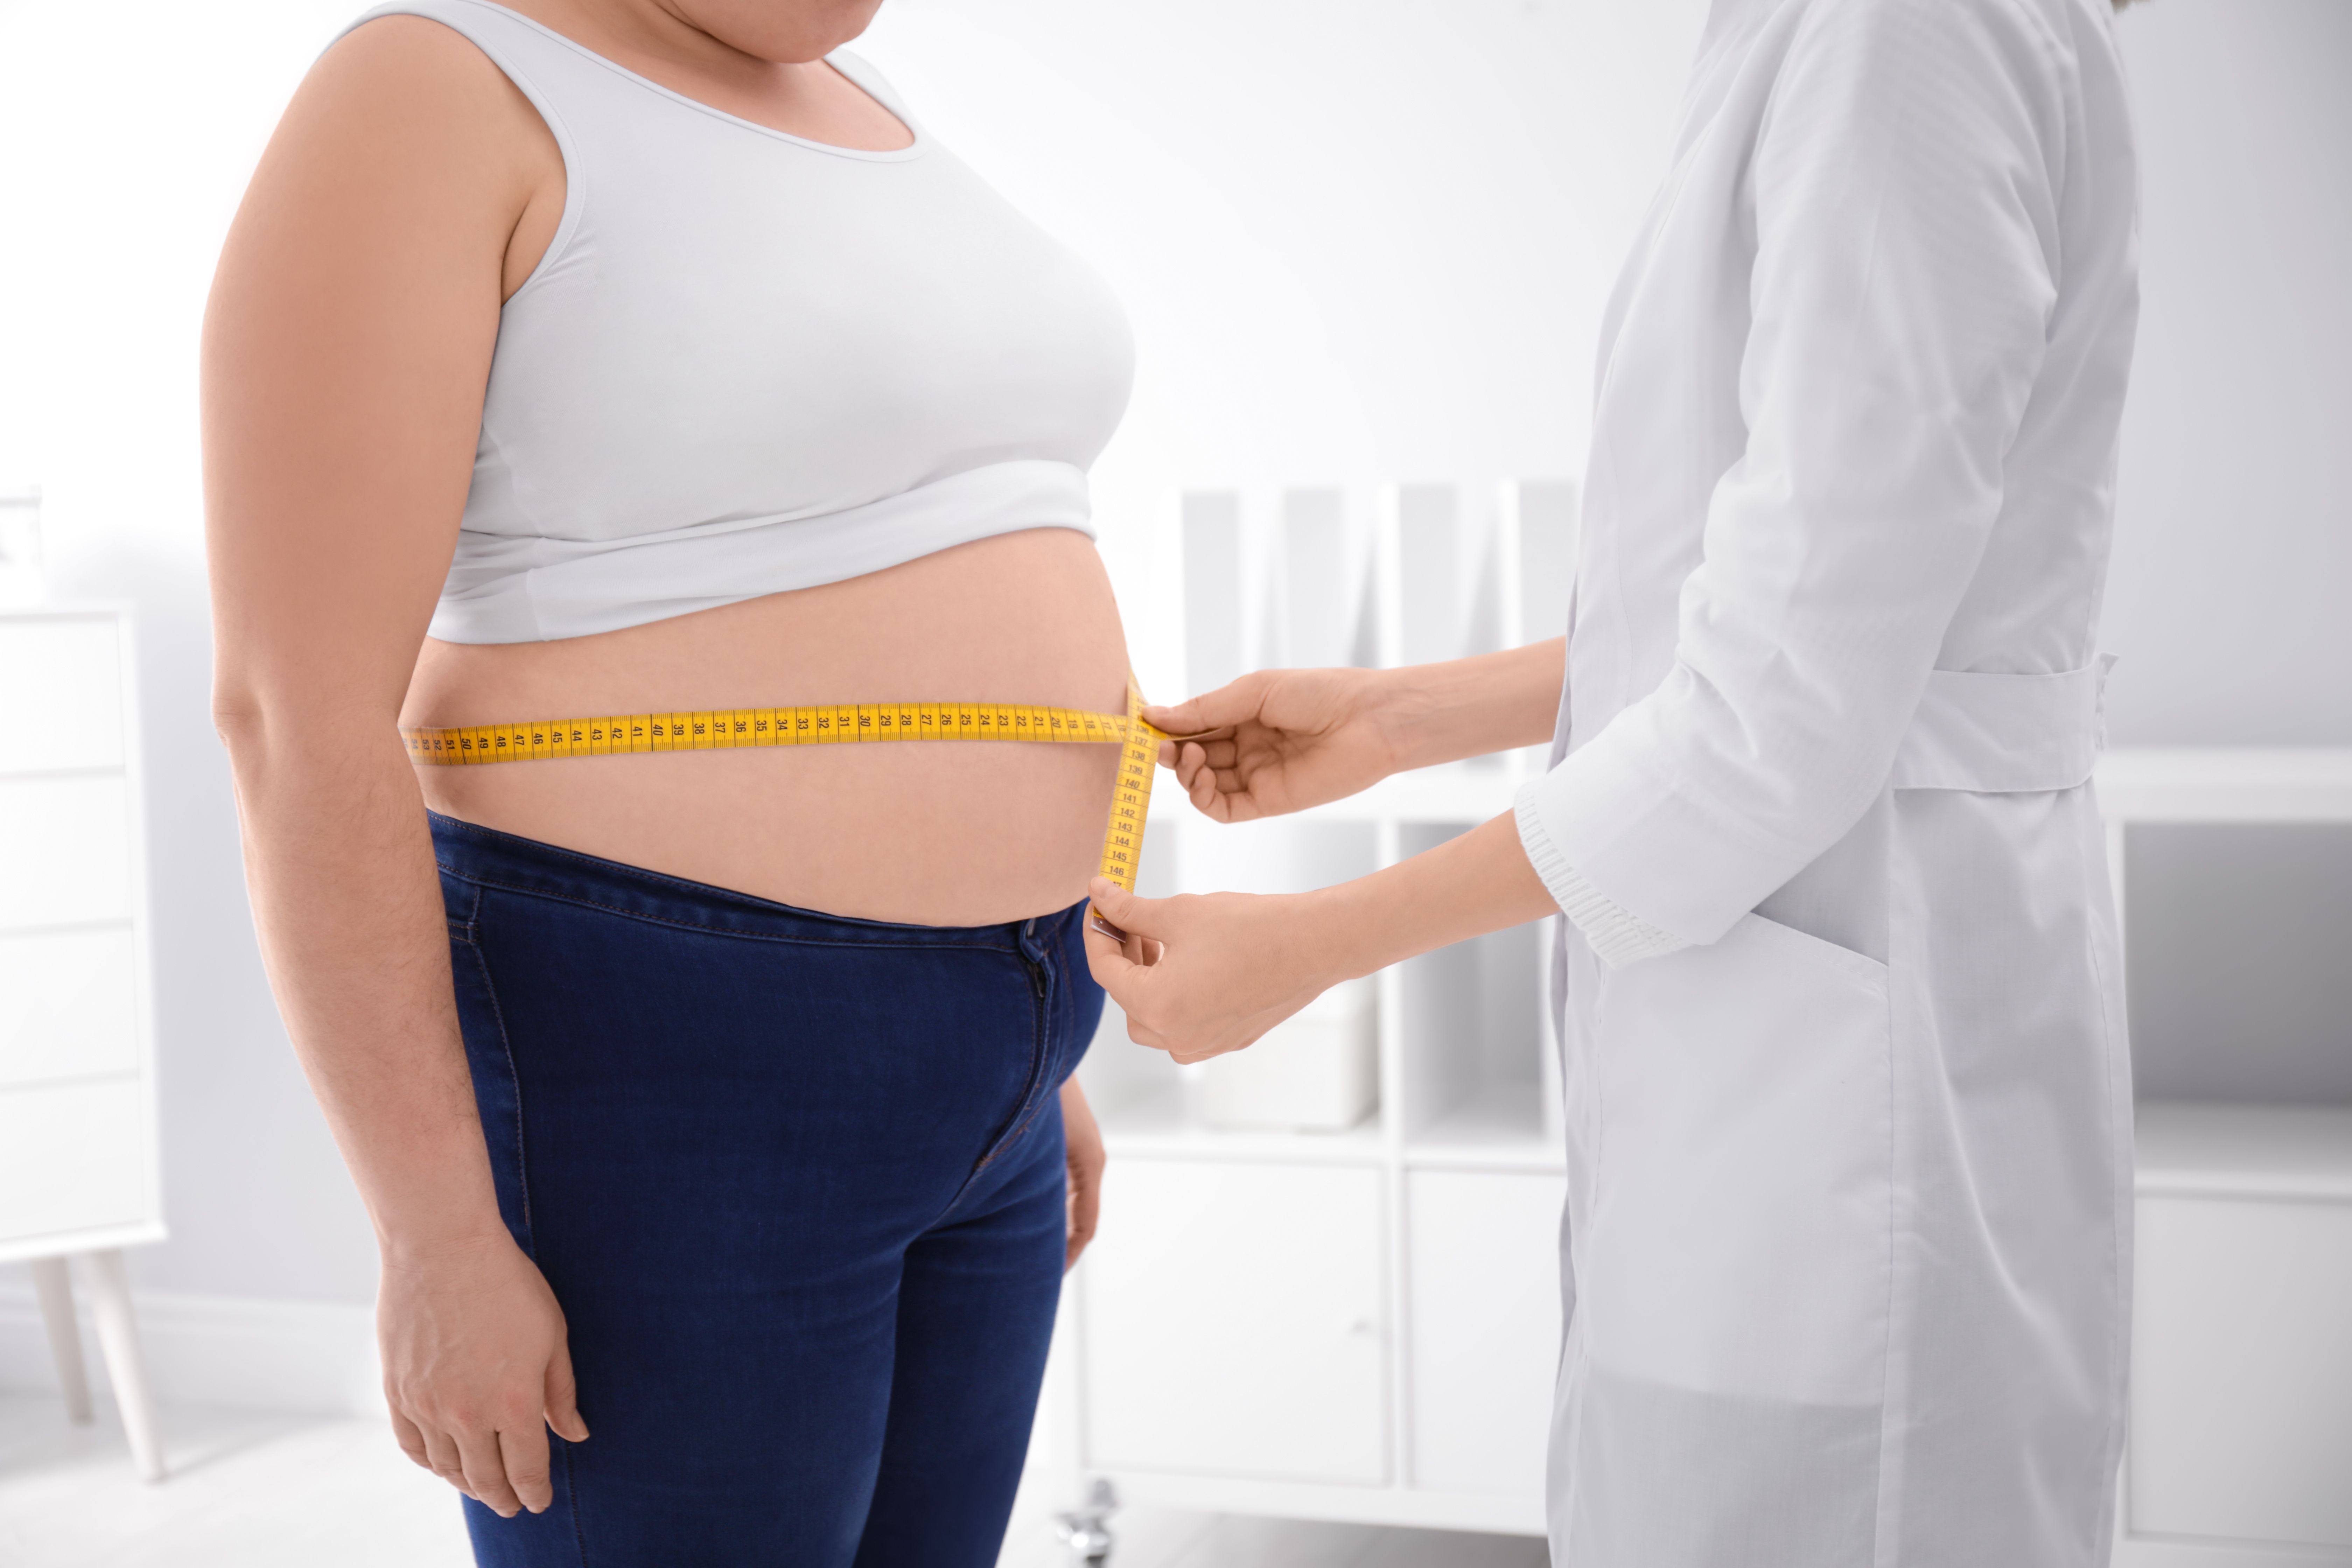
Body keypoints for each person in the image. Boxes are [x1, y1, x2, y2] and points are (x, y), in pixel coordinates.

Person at [1087, 0, 2139, 1562]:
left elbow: (1788, 700)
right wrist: (1394, 715)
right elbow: (1799, 605)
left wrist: (1306, 948)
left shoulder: (1905, 29)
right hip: (1807, 1035)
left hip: (1857, 1091)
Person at [203, 0, 1133, 1561]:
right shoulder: (438, 86)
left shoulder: (856, 98)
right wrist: (434, 1232)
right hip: (667, 1058)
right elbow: (293, 715)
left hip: (1007, 1033)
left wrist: (1020, 1042)